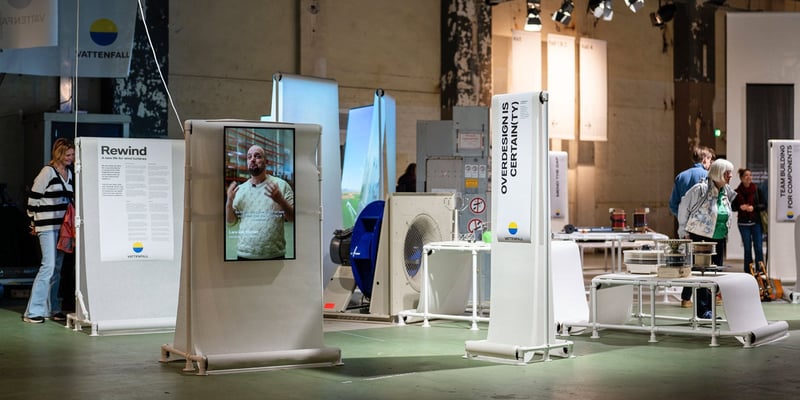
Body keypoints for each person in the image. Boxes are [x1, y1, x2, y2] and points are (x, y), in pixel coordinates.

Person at [23, 138, 74, 324]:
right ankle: (33, 311)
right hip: (46, 226)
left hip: (62, 229)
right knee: (49, 266)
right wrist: (32, 222)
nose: (72, 157)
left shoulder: (69, 173)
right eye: (68, 154)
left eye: (73, 154)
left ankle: (52, 308)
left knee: (57, 269)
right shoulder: (47, 171)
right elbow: (33, 199)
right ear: (59, 154)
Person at [677, 158, 736, 320]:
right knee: (701, 274)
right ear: (718, 173)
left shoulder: (726, 191)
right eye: (727, 173)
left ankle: (709, 310)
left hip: (718, 238)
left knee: (714, 275)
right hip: (700, 237)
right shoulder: (700, 190)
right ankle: (703, 311)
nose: (730, 176)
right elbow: (683, 208)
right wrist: (683, 231)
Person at [226, 144, 294, 260]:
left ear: (266, 161)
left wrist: (280, 200)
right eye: (249, 157)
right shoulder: (240, 189)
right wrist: (229, 202)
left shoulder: (281, 186)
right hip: (244, 254)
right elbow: (231, 222)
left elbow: (293, 218)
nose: (252, 159)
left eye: (257, 156)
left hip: (274, 255)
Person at [669, 146, 714, 308]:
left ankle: (686, 298)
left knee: (688, 262)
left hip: (686, 228)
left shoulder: (681, 177)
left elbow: (673, 204)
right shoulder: (709, 176)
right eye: (710, 159)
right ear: (704, 159)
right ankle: (707, 299)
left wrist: (683, 219)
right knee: (704, 263)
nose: (710, 163)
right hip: (705, 227)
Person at [732, 168, 766, 275]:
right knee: (747, 249)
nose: (749, 177)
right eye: (746, 175)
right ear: (741, 178)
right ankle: (748, 273)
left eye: (750, 175)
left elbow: (764, 205)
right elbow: (732, 207)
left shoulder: (756, 189)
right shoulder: (736, 192)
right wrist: (740, 207)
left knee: (759, 248)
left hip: (756, 223)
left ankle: (761, 272)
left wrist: (753, 208)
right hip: (743, 224)